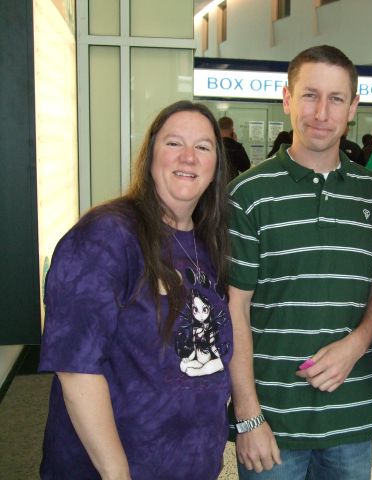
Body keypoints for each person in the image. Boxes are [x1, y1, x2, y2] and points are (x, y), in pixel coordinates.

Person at [226, 45, 372, 480]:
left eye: (336, 99)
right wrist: (247, 417)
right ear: (287, 99)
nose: (322, 113)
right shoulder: (247, 195)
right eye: (309, 95)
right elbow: (234, 309)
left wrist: (356, 343)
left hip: (351, 416)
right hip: (271, 420)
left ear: (353, 108)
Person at [39, 101, 233, 479]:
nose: (189, 157)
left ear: (216, 167)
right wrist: (116, 473)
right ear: (150, 156)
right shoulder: (106, 236)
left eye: (203, 147)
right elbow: (76, 367)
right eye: (174, 143)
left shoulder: (208, 242)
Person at [219, 115, 251, 180]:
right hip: (232, 183)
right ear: (232, 130)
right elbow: (246, 168)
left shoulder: (213, 146)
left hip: (216, 183)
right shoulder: (237, 147)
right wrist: (235, 142)